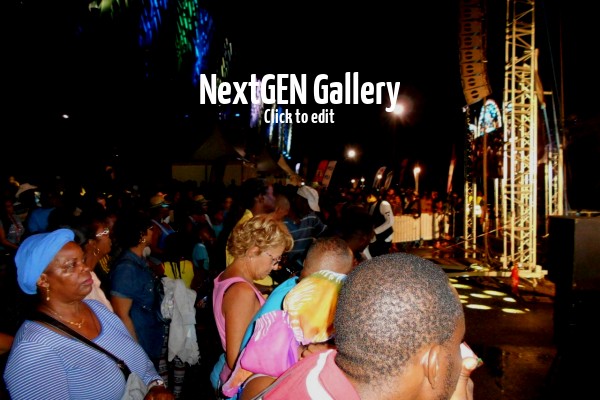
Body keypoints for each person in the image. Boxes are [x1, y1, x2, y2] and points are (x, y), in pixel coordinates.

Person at [240, 252, 478, 400]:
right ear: (433, 364)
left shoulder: (317, 363)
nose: (463, 352)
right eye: (457, 343)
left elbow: (254, 385)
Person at [3, 228, 174, 400]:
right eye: (71, 265)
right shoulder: (34, 350)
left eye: (82, 260)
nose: (85, 268)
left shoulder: (97, 309)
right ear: (43, 280)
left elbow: (141, 363)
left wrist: (155, 386)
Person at [211, 214, 293, 399]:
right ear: (253, 251)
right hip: (239, 385)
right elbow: (235, 359)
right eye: (274, 259)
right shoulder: (241, 291)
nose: (275, 267)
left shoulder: (227, 277)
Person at [110, 212, 168, 372]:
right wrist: (136, 353)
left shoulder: (141, 262)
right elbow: (122, 314)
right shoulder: (126, 269)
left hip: (150, 336)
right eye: (150, 228)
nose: (154, 232)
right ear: (141, 235)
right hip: (140, 342)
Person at [365, 188, 394, 258]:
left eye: (368, 196)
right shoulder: (370, 206)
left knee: (382, 256)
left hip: (385, 235)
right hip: (376, 237)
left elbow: (390, 221)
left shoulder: (384, 204)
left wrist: (375, 231)